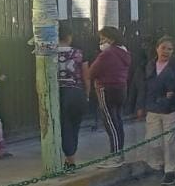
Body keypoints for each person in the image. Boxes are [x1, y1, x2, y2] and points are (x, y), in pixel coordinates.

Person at [136, 36, 175, 185]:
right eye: (163, 47)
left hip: (172, 109)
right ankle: (159, 164)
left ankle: (170, 170)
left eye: (169, 49)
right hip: (152, 108)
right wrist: (140, 106)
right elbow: (142, 87)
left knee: (170, 141)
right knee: (153, 141)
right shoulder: (149, 65)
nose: (166, 51)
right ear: (157, 48)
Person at [89, 26, 131, 167]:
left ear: (111, 39)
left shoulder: (107, 54)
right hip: (121, 89)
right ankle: (120, 153)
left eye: (103, 38)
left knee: (110, 123)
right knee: (118, 121)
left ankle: (115, 155)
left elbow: (92, 72)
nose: (101, 42)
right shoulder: (124, 53)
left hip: (106, 89)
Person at [56, 29, 90, 167]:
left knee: (61, 126)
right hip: (76, 92)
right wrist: (87, 94)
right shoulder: (78, 53)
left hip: (57, 93)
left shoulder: (48, 54)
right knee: (73, 126)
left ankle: (64, 158)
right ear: (69, 37)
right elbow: (86, 75)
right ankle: (71, 159)